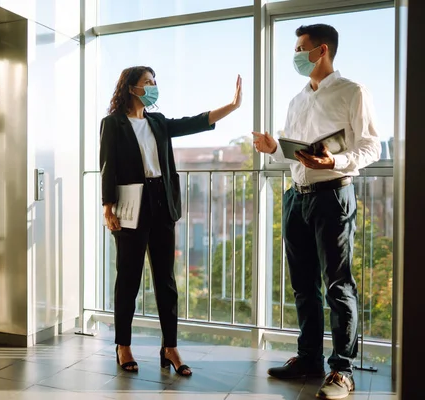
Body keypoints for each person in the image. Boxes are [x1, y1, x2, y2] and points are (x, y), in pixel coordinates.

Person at [253, 24, 381, 399]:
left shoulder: (353, 92)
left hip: (333, 196)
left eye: (300, 48)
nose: (295, 54)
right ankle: (309, 358)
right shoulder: (297, 100)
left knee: (338, 285)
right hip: (298, 196)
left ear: (321, 50)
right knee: (303, 285)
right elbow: (292, 153)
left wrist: (335, 161)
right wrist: (273, 147)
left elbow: (371, 147)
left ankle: (342, 371)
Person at [100, 66, 242, 376]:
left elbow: (194, 122)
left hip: (162, 203)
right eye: (147, 82)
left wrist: (231, 106)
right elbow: (107, 166)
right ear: (130, 87)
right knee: (128, 279)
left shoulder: (158, 122)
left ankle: (170, 347)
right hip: (130, 204)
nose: (153, 87)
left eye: (154, 82)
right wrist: (107, 208)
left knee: (166, 280)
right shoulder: (113, 124)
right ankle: (123, 345)